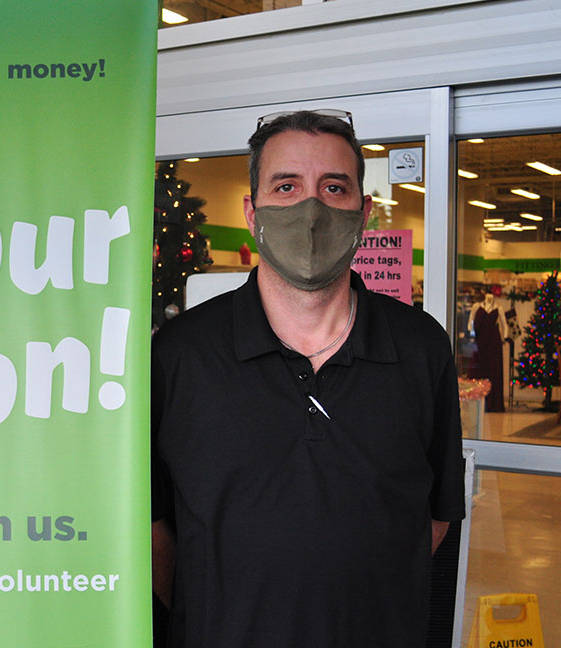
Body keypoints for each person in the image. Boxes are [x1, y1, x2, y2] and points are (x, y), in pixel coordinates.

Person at [151, 110, 465, 646]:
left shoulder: (420, 348)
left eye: (334, 187)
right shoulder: (180, 355)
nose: (311, 207)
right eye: (286, 185)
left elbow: (432, 521)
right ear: (253, 211)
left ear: (364, 212)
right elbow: (158, 533)